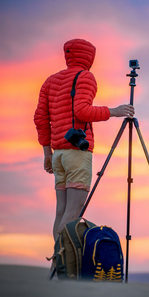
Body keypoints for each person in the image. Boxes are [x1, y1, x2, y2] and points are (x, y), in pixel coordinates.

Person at [34, 38, 135, 241]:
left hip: (59, 155)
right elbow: (82, 111)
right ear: (89, 56)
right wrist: (115, 111)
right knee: (73, 213)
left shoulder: (50, 81)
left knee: (61, 212)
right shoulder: (85, 77)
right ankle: (64, 264)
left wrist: (47, 153)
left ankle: (59, 265)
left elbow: (40, 118)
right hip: (77, 155)